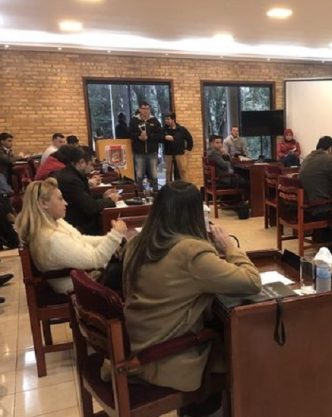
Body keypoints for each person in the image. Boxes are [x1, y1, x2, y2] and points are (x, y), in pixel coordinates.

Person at [122, 181, 261, 395]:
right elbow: (252, 282)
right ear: (195, 214)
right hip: (169, 358)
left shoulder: (137, 242)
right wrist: (229, 248)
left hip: (139, 346)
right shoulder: (191, 253)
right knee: (251, 346)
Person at [14, 178, 127, 294]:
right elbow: (96, 260)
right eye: (60, 199)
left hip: (82, 275)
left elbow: (80, 239)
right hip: (79, 287)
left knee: (127, 261)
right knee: (131, 268)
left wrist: (110, 240)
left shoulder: (54, 222)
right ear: (43, 203)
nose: (65, 203)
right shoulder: (52, 238)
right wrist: (115, 235)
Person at [51, 145, 119, 235]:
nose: (92, 168)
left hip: (79, 219)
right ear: (81, 162)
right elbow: (90, 207)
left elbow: (84, 197)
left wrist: (103, 195)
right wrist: (110, 200)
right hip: (77, 226)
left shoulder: (72, 174)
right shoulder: (71, 180)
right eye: (91, 164)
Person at [299, 136, 332, 250]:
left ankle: (323, 241)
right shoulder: (329, 159)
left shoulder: (307, 158)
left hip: (306, 206)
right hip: (320, 207)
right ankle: (330, 245)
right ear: (330, 148)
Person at [129, 102, 162, 190]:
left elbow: (160, 135)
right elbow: (130, 134)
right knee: (139, 176)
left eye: (147, 109)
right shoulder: (134, 120)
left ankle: (155, 194)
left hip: (152, 153)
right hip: (139, 153)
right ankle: (140, 194)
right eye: (143, 109)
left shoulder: (154, 120)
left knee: (154, 175)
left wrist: (149, 136)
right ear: (139, 109)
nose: (145, 111)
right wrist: (139, 137)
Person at [163, 112, 194, 182]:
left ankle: (185, 185)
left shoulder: (181, 129)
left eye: (168, 119)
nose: (166, 121)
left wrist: (188, 149)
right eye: (165, 119)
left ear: (173, 119)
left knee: (183, 171)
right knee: (168, 172)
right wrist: (164, 137)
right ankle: (168, 187)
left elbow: (189, 139)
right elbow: (159, 138)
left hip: (180, 153)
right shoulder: (164, 130)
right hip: (168, 154)